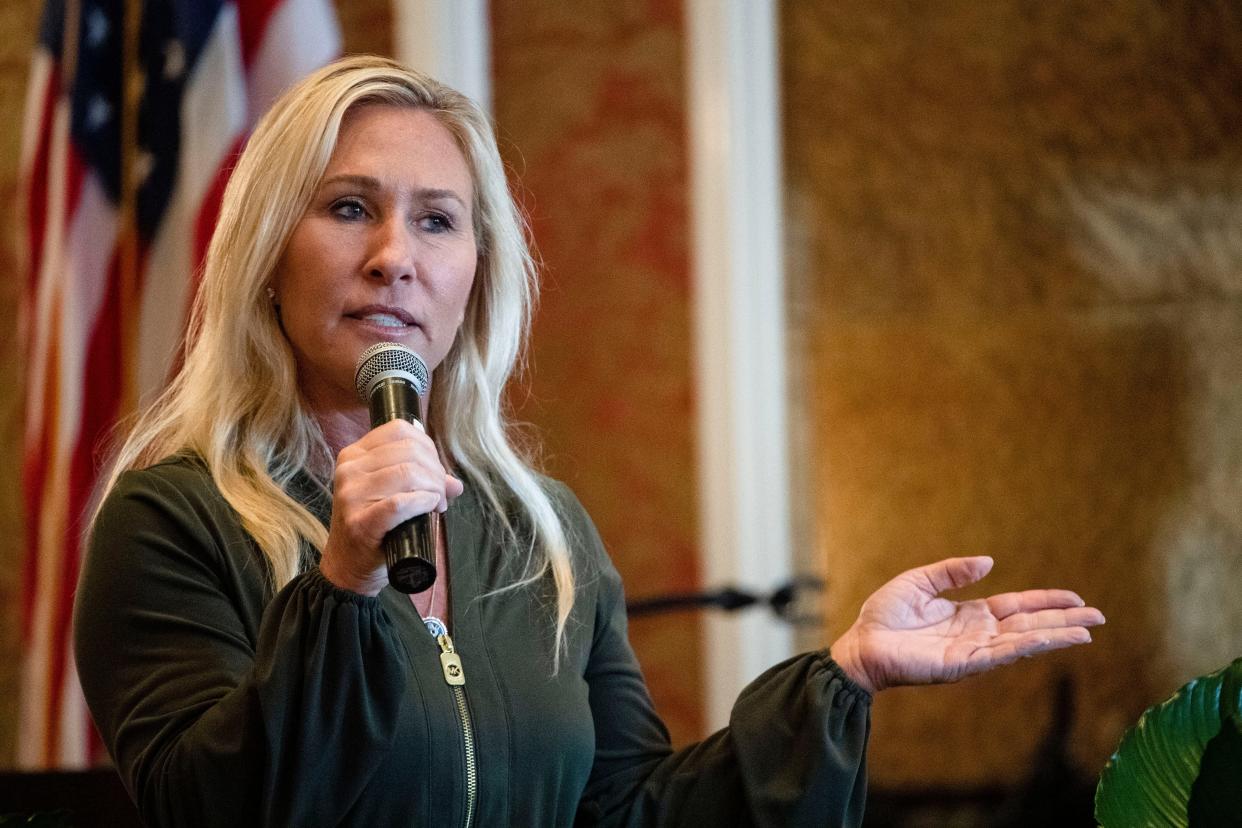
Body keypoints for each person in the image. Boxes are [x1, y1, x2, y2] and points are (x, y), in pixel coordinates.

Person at [73, 55, 1105, 828]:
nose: (396, 258)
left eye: (438, 221)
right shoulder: (171, 521)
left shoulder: (540, 532)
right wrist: (341, 586)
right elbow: (207, 805)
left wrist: (842, 677)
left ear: (476, 272)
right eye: (350, 209)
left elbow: (628, 813)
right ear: (266, 253)